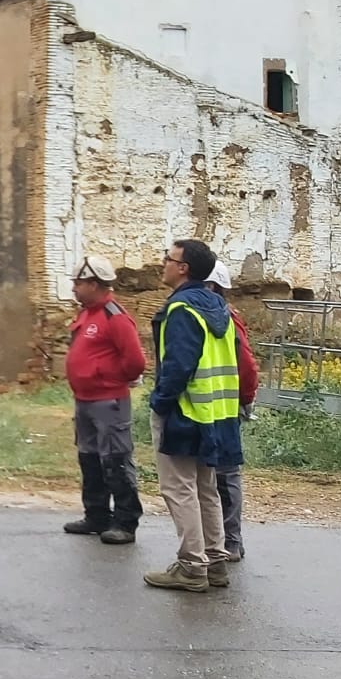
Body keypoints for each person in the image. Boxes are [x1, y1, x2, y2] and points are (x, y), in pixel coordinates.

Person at [144, 239, 244, 594]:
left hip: (185, 411)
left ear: (183, 268)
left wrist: (159, 402)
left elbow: (178, 365)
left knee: (179, 489)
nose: (163, 264)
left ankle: (191, 566)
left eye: (167, 258)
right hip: (217, 413)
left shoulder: (182, 310)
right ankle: (215, 561)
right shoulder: (219, 307)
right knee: (206, 488)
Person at [63, 254, 147, 545]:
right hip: (84, 400)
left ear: (94, 283)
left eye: (78, 282)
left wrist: (109, 378)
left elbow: (135, 361)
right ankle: (96, 515)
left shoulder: (115, 317)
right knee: (89, 458)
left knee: (116, 460)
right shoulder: (86, 314)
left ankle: (125, 521)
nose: (74, 288)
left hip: (109, 401)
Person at [206, 260, 260, 565]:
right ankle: (224, 541)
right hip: (216, 407)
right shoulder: (219, 316)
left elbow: (247, 366)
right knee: (217, 476)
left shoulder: (224, 319)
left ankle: (229, 541)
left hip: (218, 409)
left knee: (221, 476)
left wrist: (246, 399)